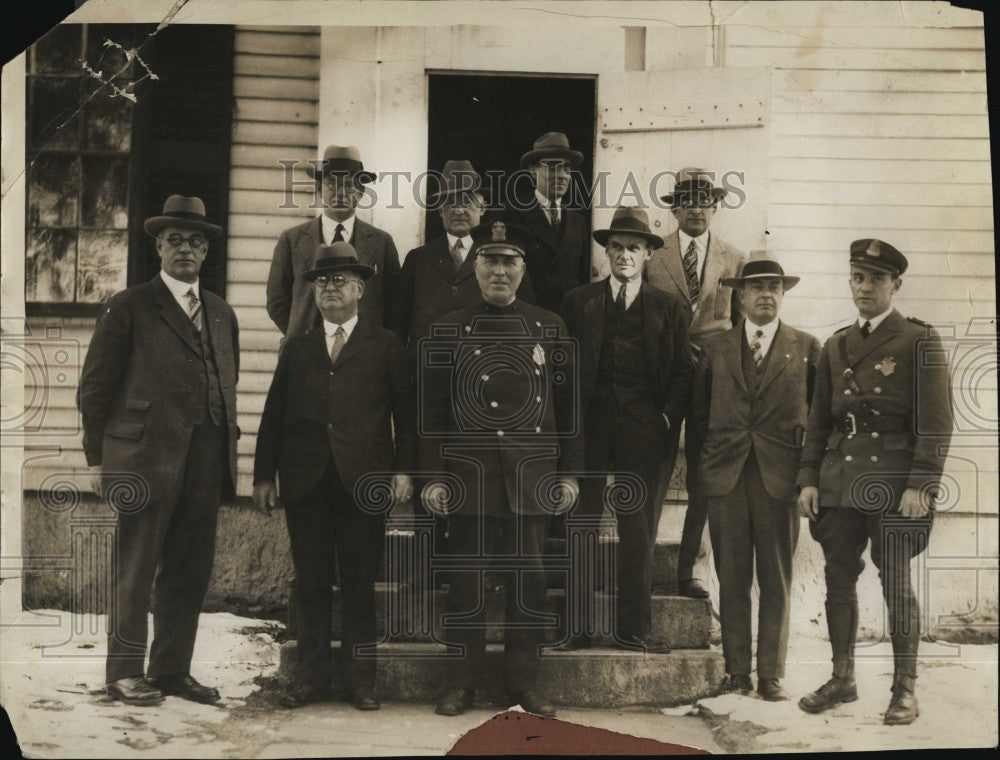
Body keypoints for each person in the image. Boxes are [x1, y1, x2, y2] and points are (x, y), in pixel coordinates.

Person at [78, 195, 239, 707]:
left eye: (195, 241)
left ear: (207, 251)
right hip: (144, 457)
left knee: (190, 566)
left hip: (207, 455)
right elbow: (95, 387)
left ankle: (171, 669)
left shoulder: (219, 311)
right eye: (175, 241)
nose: (185, 249)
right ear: (158, 248)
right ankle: (123, 673)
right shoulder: (129, 305)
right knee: (136, 566)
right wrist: (99, 459)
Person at [420, 221, 583, 718]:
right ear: (475, 267)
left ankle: (523, 685)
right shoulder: (448, 327)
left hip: (531, 478)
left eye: (509, 261)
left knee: (529, 584)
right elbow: (430, 414)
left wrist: (570, 474)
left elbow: (569, 407)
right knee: (466, 585)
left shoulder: (549, 326)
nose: (498, 271)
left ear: (522, 269)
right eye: (489, 261)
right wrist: (432, 476)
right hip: (470, 477)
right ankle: (460, 685)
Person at [253, 242, 416, 710]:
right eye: (321, 281)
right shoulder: (298, 346)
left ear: (360, 288)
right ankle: (310, 679)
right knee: (311, 582)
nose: (329, 288)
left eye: (339, 280)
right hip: (305, 480)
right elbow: (274, 414)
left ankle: (361, 681)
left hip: (364, 482)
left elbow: (404, 416)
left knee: (360, 583)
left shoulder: (384, 345)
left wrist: (404, 470)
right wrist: (265, 476)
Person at [797, 239, 953, 725]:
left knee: (897, 583)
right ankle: (843, 679)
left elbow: (936, 421)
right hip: (840, 483)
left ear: (895, 286)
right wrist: (808, 479)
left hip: (893, 484)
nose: (864, 288)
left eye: (876, 280)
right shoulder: (835, 345)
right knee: (838, 579)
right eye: (857, 278)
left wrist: (920, 485)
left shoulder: (918, 339)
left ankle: (905, 689)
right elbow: (818, 421)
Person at [558, 206, 693, 652]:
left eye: (633, 248)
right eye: (616, 247)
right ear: (606, 252)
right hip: (590, 432)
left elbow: (681, 372)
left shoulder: (669, 307)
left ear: (649, 253)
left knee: (638, 531)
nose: (624, 255)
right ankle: (575, 628)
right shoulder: (579, 301)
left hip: (644, 433)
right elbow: (567, 369)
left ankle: (633, 629)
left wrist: (666, 418)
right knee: (581, 526)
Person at [689, 252, 820, 700]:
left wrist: (808, 477)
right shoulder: (716, 348)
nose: (767, 294)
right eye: (757, 287)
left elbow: (820, 420)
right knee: (732, 577)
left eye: (775, 287)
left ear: (783, 295)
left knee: (776, 577)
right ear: (740, 295)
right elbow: (699, 415)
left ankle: (771, 674)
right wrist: (704, 471)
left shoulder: (805, 347)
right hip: (726, 477)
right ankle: (737, 672)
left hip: (779, 478)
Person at [646, 166, 747, 600]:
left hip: (713, 379)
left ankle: (689, 570)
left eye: (704, 201)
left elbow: (740, 327)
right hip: (663, 376)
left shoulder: (734, 258)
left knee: (704, 475)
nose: (696, 209)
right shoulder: (654, 256)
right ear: (674, 208)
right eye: (686, 201)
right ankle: (642, 567)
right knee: (656, 468)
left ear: (716, 206)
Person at [386, 159, 534, 356]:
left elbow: (524, 315)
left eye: (467, 201)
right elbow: (398, 326)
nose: (458, 210)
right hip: (427, 370)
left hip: (482, 368)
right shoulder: (417, 259)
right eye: (450, 203)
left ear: (482, 208)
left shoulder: (503, 258)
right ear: (439, 210)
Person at [267, 144, 400, 338]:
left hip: (364, 355)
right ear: (320, 190)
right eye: (332, 183)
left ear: (361, 192)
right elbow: (276, 301)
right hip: (305, 356)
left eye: (349, 184)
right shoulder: (291, 240)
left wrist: (373, 346)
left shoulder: (382, 242)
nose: (341, 193)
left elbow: (395, 305)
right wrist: (301, 339)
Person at [498, 132, 591, 313]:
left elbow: (582, 279)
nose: (563, 175)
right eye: (553, 167)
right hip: (525, 320)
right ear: (533, 171)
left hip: (567, 323)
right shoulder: (512, 214)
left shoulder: (577, 221)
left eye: (567, 168)